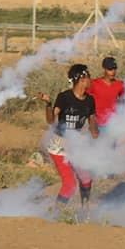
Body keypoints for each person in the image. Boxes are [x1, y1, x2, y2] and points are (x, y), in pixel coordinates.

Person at [38, 64, 99, 208]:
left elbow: (93, 125)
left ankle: (85, 210)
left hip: (76, 145)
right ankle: (56, 216)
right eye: (89, 76)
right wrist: (48, 104)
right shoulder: (64, 97)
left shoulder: (90, 100)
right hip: (59, 146)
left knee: (86, 179)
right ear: (82, 79)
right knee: (70, 184)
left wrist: (95, 130)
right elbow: (51, 120)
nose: (91, 80)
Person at [88, 56, 125, 130]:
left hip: (113, 125)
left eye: (114, 69)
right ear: (104, 69)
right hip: (97, 125)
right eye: (110, 69)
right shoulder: (94, 83)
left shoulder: (120, 84)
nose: (113, 72)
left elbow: (123, 102)